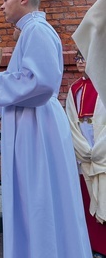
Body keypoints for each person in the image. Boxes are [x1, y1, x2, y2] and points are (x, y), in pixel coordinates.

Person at [0, 0, 92, 258]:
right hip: (30, 123)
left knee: (39, 195)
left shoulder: (37, 30)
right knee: (33, 195)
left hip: (36, 127)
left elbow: (42, 82)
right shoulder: (30, 31)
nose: (1, 6)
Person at [66, 52, 106, 258]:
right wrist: (83, 149)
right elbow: (71, 123)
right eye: (77, 58)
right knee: (86, 196)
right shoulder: (74, 89)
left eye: (84, 57)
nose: (80, 62)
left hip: (102, 147)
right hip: (84, 150)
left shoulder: (104, 84)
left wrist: (100, 149)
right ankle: (93, 246)